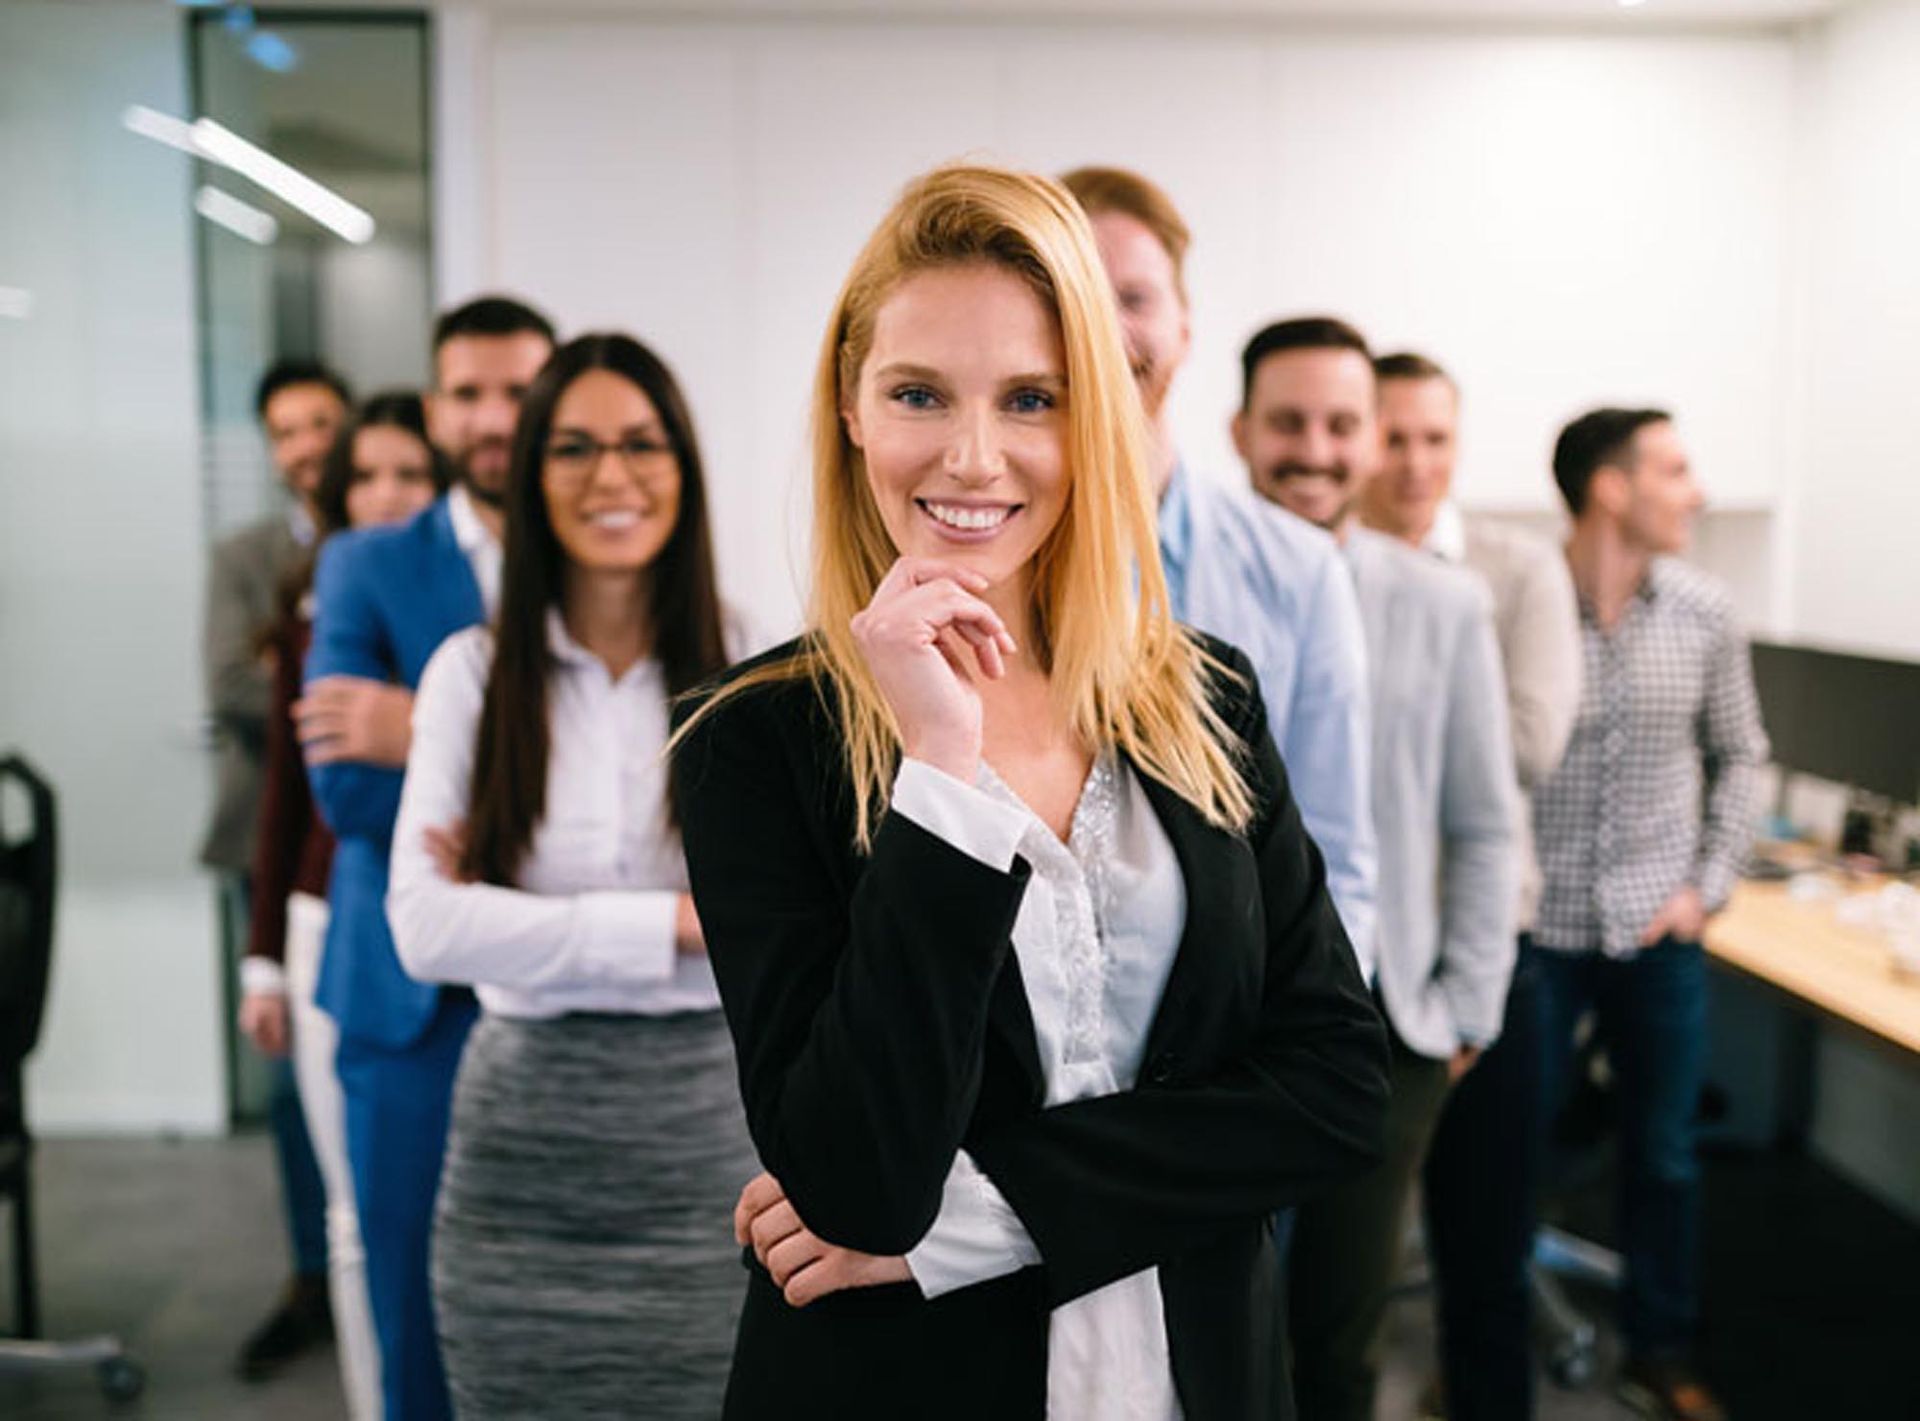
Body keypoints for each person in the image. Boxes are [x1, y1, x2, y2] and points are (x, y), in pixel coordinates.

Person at [671, 164, 1388, 1421]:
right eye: (918, 393)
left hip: (1201, 1372)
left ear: (1095, 419)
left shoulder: (1204, 697)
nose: (973, 455)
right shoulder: (755, 739)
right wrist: (941, 775)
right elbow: (854, 1185)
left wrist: (981, 1217)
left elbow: (1335, 1088)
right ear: (852, 405)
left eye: (1032, 399)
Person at [386, 333, 757, 1419]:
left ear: (683, 468)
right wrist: (679, 925)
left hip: (706, 1150)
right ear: (528, 470)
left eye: (642, 444)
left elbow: (794, 921)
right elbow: (423, 927)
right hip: (520, 1162)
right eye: (575, 446)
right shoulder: (471, 672)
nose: (611, 476)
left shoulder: (757, 665)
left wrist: (525, 917)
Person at [1233, 317, 1517, 1421]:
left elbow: (1487, 825)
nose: (1315, 448)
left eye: (1341, 424)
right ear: (1240, 430)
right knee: (1206, 1332)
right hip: (1215, 1034)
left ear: (1372, 437)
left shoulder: (1442, 603)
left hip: (1384, 1030)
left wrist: (1461, 1015)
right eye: (1288, 422)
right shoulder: (1176, 583)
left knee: (1336, 1341)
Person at [304, 297, 555, 1421]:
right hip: (409, 998)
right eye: (468, 392)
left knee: (560, 1313)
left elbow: (653, 779)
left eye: (518, 390)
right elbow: (347, 788)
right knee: (414, 1309)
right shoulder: (366, 561)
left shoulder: (608, 542)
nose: (494, 416)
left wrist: (428, 728)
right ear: (433, 402)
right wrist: (554, 760)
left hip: (569, 994)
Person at [1059, 166, 1376, 974]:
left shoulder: (1299, 570)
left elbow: (1334, 847)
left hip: (1239, 1029)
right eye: (1076, 295)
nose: (1107, 327)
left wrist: (1318, 1065)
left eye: (1132, 298)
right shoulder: (985, 556)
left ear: (1186, 326)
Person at [1529, 408, 1768, 1421]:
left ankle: (1661, 1347)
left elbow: (1743, 754)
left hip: (1655, 930)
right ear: (1611, 487)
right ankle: (1486, 1340)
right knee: (1506, 1150)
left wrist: (1705, 885)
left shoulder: (1707, 611)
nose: (1696, 490)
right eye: (1675, 468)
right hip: (1533, 933)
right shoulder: (1521, 601)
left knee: (1662, 1154)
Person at [1361, 351, 1583, 1421]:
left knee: (1484, 1246)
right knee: (1338, 1276)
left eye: (1434, 439)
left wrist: (1426, 676)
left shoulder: (1514, 569)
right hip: (1361, 960)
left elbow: (1533, 742)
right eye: (1391, 436)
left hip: (1493, 944)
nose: (1412, 463)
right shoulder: (1318, 564)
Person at [238, 392, 449, 1420]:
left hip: (446, 922)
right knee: (361, 1215)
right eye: (366, 476)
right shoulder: (312, 608)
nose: (385, 495)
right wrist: (263, 953)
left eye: (410, 473)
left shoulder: (468, 599)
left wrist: (419, 725)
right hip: (334, 917)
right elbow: (301, 798)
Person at [202, 356, 350, 1381]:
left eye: (319, 424)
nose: (305, 445)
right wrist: (331, 686)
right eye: (285, 430)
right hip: (263, 836)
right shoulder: (245, 554)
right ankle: (309, 1274)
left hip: (357, 846)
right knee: (290, 1079)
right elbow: (225, 680)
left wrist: (292, 664)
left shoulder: (388, 533)